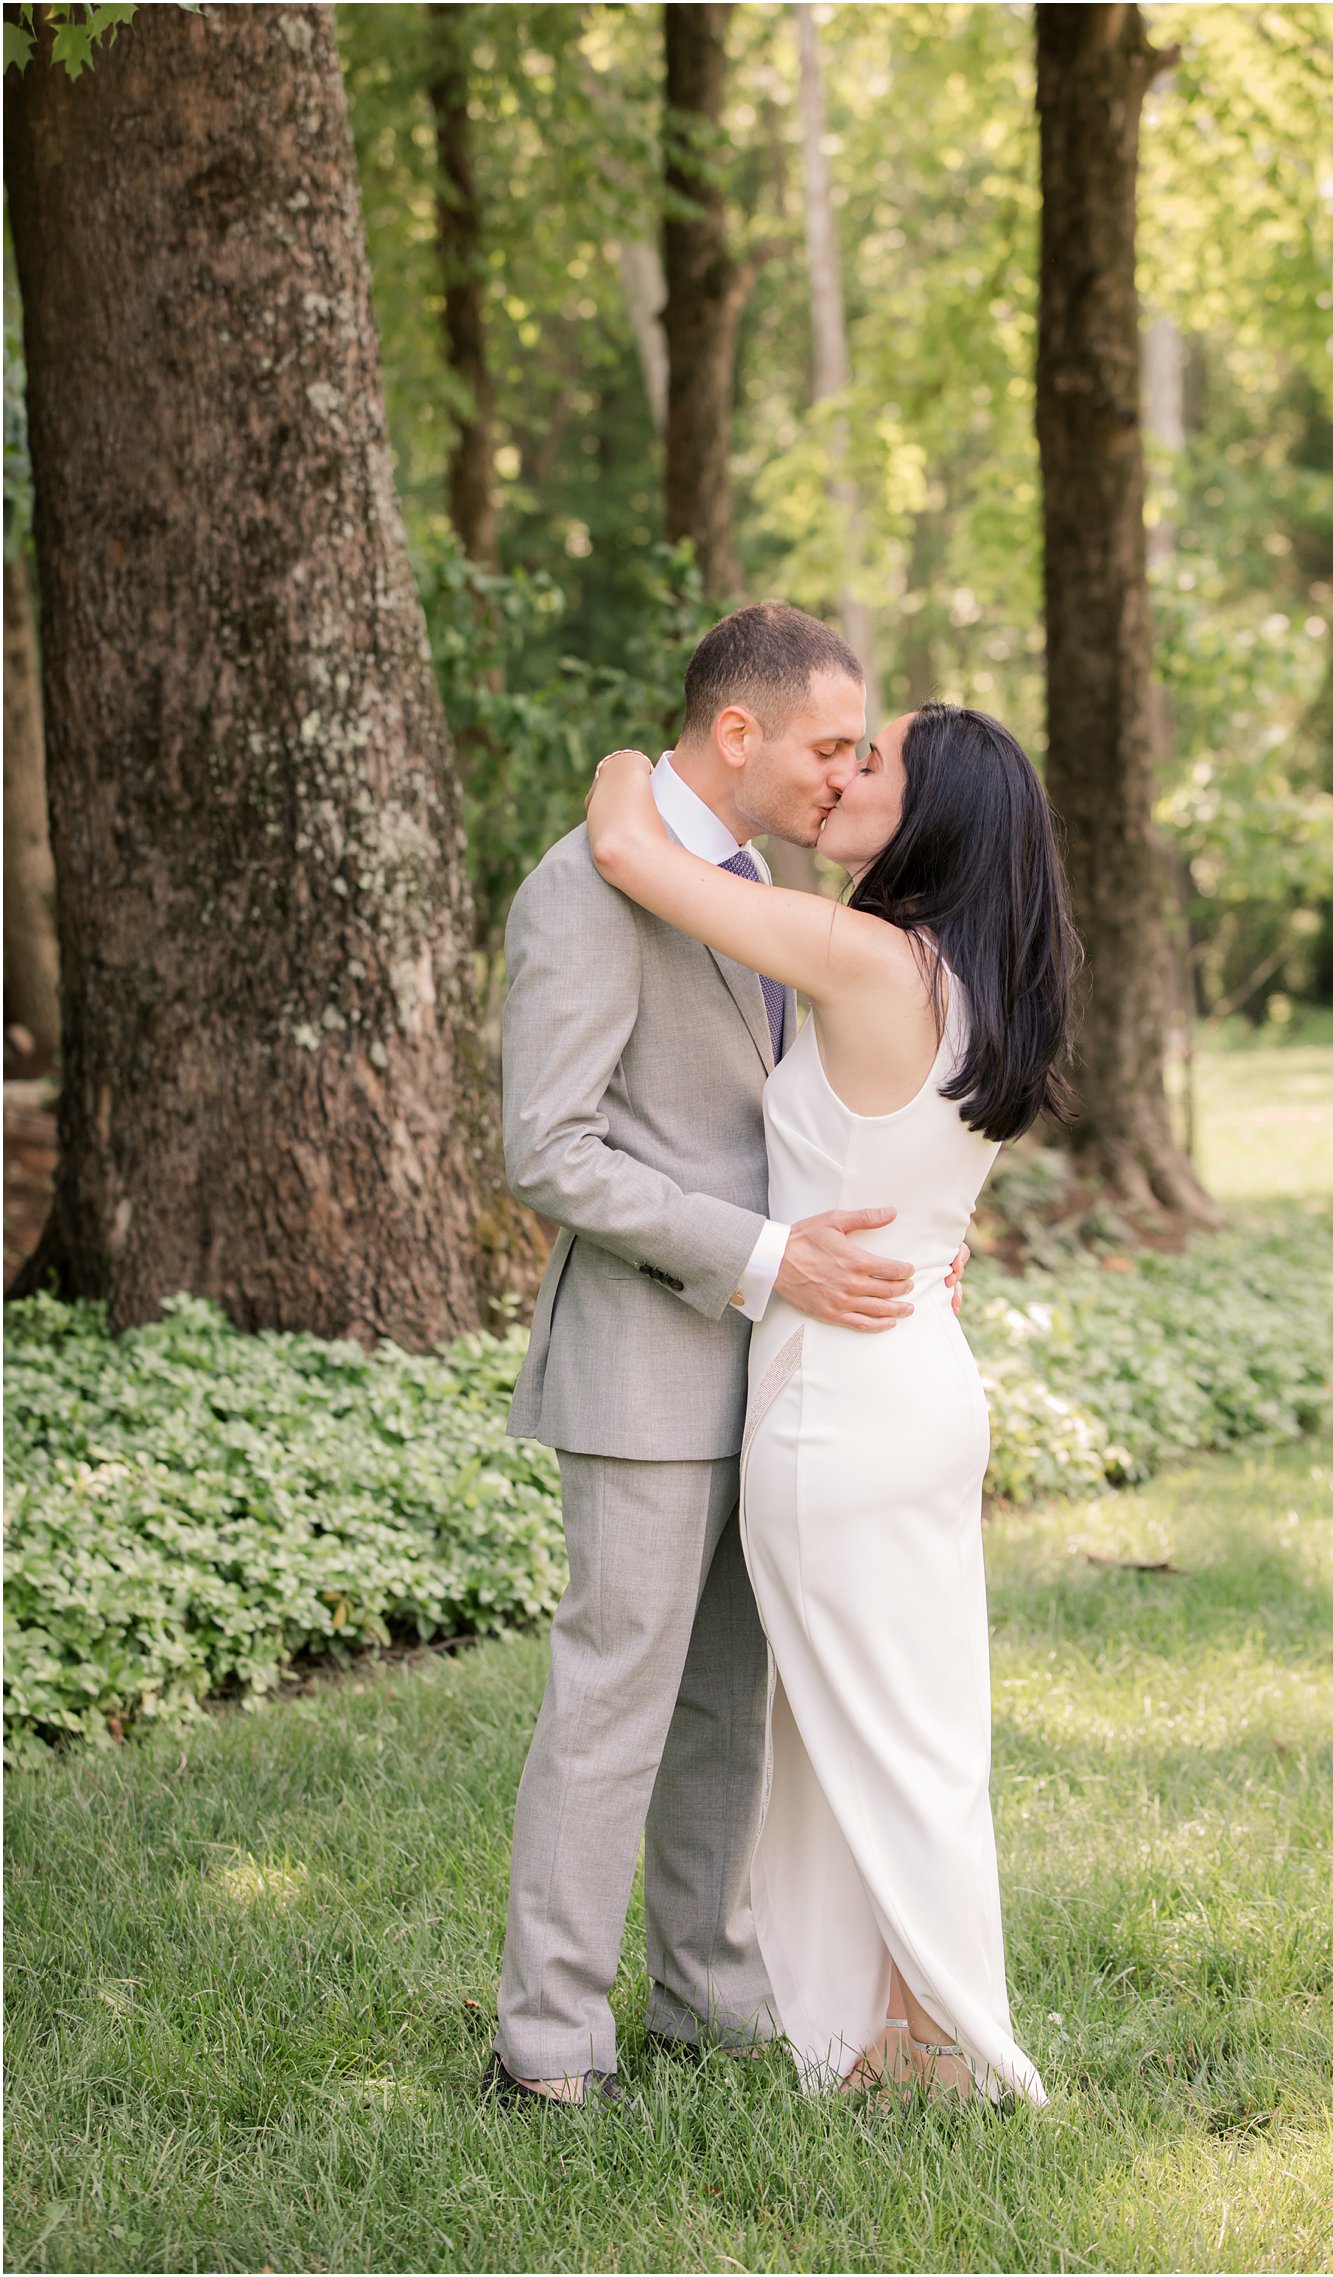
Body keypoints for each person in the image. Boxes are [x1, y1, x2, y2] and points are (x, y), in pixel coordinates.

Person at [484, 604, 970, 2114]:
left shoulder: (750, 890)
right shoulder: (587, 887)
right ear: (740, 732)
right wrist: (768, 1258)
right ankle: (547, 2042)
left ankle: (710, 1997)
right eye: (831, 744)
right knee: (612, 1700)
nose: (845, 774)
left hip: (781, 1380)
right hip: (643, 1358)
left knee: (728, 1707)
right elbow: (546, 1148)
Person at [584, 699, 1077, 2108]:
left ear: (930, 816)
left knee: (874, 1739)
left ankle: (954, 2046)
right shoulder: (977, 983)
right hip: (918, 1381)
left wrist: (643, 755)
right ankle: (900, 2030)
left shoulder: (862, 956)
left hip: (841, 1407)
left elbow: (632, 847)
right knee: (906, 1732)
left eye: (880, 762)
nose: (851, 774)